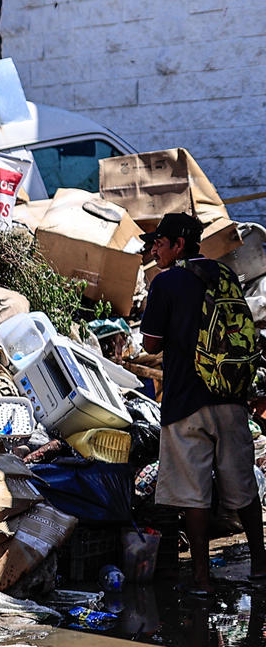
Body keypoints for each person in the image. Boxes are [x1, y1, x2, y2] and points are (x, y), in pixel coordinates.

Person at [140, 211, 266, 591]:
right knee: (243, 485)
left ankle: (200, 577)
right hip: (230, 399)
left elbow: (150, 343)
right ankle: (261, 566)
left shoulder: (165, 283)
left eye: (160, 242)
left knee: (192, 492)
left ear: (179, 244)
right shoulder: (224, 275)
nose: (155, 249)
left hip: (184, 404)